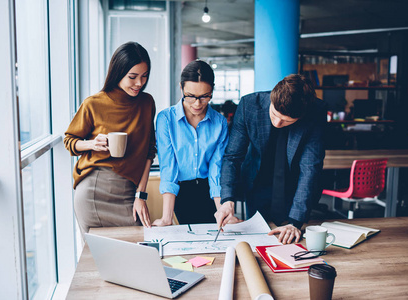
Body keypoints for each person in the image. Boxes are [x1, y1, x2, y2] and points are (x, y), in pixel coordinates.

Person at [214, 74, 327, 244]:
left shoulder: (315, 112)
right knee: (259, 239)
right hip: (257, 180)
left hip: (295, 185)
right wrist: (227, 200)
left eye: (286, 121)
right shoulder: (249, 105)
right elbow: (232, 158)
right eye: (274, 114)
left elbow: (310, 168)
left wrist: (295, 222)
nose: (277, 123)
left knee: (291, 240)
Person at [64, 42, 156, 237]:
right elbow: (70, 141)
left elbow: (149, 151)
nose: (139, 83)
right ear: (118, 72)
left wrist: (141, 195)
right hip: (93, 190)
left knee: (136, 252)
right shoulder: (94, 103)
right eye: (132, 77)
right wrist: (91, 143)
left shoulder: (146, 103)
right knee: (98, 260)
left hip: (128, 191)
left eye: (144, 76)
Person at [153, 60, 230, 225]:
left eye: (204, 96)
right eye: (190, 96)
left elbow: (216, 169)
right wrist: (166, 218)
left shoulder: (219, 123)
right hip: (181, 192)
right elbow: (169, 167)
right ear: (181, 88)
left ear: (212, 91)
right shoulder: (166, 119)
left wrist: (222, 211)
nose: (197, 104)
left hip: (209, 190)